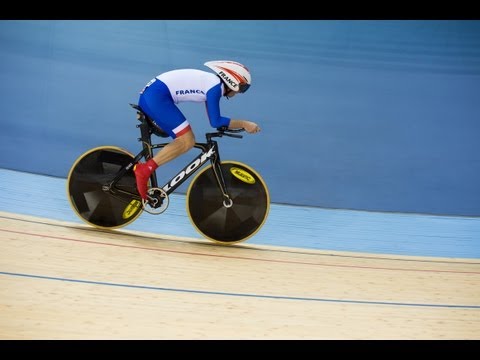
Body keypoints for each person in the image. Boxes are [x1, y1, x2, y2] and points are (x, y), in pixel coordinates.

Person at [133, 60, 261, 200]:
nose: (240, 93)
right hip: (156, 97)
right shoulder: (214, 88)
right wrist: (245, 124)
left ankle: (146, 168)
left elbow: (214, 120)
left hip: (155, 95)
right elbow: (215, 121)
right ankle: (145, 170)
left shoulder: (212, 83)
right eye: (242, 88)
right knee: (187, 141)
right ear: (232, 81)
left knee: (186, 140)